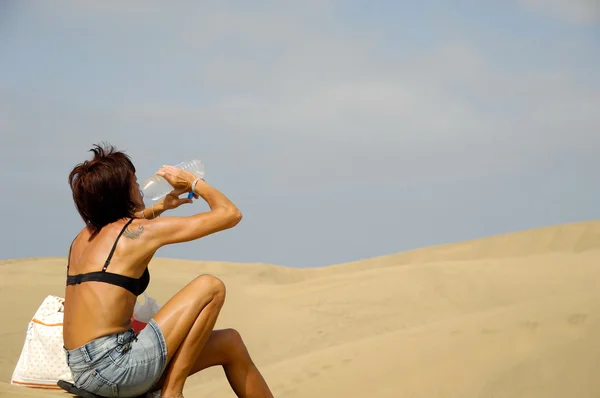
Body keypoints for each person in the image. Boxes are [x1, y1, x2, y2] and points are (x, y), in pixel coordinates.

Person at [62, 143, 274, 398]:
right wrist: (194, 182)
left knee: (230, 343)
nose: (139, 187)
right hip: (116, 369)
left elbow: (125, 228)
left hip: (82, 369)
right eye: (134, 181)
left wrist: (160, 207)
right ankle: (172, 393)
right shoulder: (139, 234)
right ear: (121, 192)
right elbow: (230, 214)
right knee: (210, 286)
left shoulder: (81, 240)